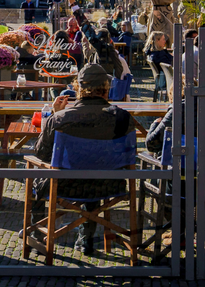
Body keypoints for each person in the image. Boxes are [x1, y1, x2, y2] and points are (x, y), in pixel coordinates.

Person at [32, 63, 137, 255]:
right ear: (106, 88)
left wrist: (54, 115)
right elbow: (130, 153)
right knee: (96, 163)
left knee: (32, 169)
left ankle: (37, 233)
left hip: (64, 184)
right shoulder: (122, 117)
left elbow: (41, 154)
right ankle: (86, 237)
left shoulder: (61, 119)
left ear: (77, 88)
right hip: (109, 184)